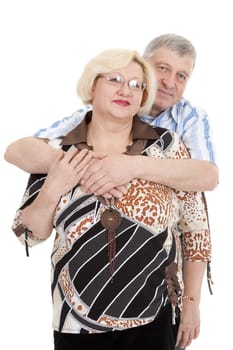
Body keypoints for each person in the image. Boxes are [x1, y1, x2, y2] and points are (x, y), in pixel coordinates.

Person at [11, 48, 211, 350]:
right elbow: (29, 234)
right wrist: (57, 184)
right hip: (76, 323)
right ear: (92, 86)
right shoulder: (58, 150)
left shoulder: (167, 146)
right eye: (115, 79)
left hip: (155, 318)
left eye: (136, 84)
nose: (125, 90)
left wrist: (192, 302)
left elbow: (196, 228)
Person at [4, 34, 218, 196]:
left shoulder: (191, 118)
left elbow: (209, 176)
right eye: (162, 68)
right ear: (143, 68)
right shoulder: (96, 114)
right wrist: (89, 169)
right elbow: (18, 150)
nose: (170, 82)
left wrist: (131, 165)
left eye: (181, 76)